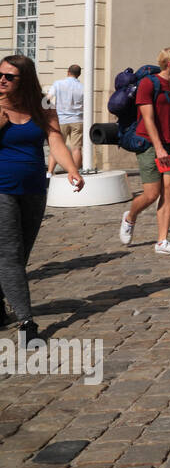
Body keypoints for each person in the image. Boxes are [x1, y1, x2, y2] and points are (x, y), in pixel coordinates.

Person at [0, 55, 84, 341]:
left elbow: (55, 139)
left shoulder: (43, 104)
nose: (2, 80)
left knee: (19, 254)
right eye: (0, 75)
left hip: (34, 188)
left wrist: (71, 169)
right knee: (10, 254)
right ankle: (26, 323)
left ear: (24, 80)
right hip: (2, 189)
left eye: (9, 77)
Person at [118, 47, 170, 255]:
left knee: (169, 190)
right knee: (151, 194)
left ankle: (162, 241)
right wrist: (158, 148)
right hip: (149, 144)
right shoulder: (148, 84)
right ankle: (130, 216)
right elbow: (148, 119)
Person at [46, 64, 83, 176]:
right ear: (79, 74)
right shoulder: (82, 87)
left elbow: (47, 99)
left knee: (56, 146)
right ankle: (74, 173)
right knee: (76, 149)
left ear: (68, 72)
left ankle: (50, 172)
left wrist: (48, 112)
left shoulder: (58, 84)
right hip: (77, 119)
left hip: (60, 119)